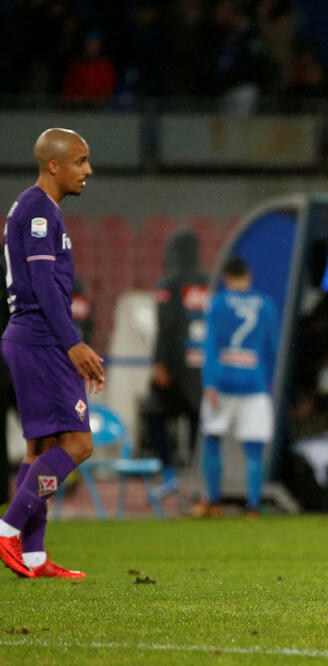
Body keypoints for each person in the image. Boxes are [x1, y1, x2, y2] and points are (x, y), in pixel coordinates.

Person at [0, 128, 104, 579]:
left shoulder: (31, 207)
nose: (88, 170)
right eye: (80, 161)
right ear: (54, 164)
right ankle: (7, 529)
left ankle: (34, 555)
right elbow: (43, 283)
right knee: (78, 445)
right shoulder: (39, 210)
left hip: (28, 337)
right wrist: (72, 343)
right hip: (42, 340)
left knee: (39, 448)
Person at [192, 256, 279, 517]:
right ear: (248, 274)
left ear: (225, 277)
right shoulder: (265, 304)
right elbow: (272, 348)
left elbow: (210, 345)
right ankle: (253, 505)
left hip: (222, 381)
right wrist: (266, 381)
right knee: (254, 449)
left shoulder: (217, 303)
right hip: (254, 383)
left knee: (212, 439)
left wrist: (210, 382)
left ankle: (213, 501)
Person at [143, 227, 209, 498]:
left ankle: (169, 474)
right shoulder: (208, 280)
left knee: (152, 413)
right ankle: (197, 478)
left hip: (175, 365)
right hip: (202, 364)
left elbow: (166, 325)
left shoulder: (169, 282)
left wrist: (160, 363)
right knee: (197, 419)